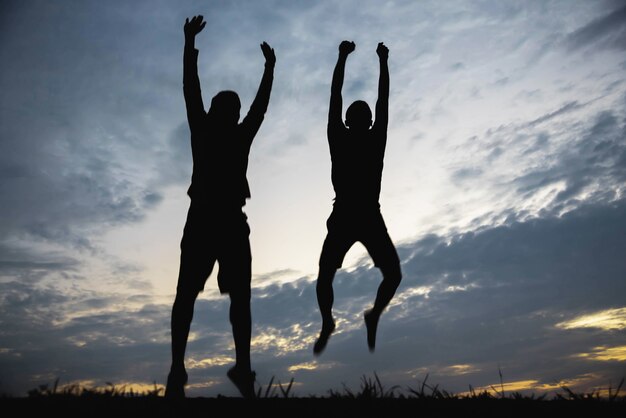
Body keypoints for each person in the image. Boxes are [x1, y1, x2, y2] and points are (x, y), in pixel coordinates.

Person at [165, 15, 275, 399]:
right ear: (217, 110)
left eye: (230, 107)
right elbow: (191, 88)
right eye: (226, 105)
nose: (229, 110)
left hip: (225, 220)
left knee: (228, 297)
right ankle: (182, 369)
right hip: (211, 219)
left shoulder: (222, 131)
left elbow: (253, 108)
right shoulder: (209, 129)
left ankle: (235, 368)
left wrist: (270, 69)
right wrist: (189, 45)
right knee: (191, 295)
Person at [314, 40, 402, 356]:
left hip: (367, 215)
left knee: (393, 274)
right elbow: (337, 97)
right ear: (354, 120)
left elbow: (382, 99)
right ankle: (328, 322)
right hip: (347, 215)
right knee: (324, 278)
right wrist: (349, 58)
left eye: (365, 113)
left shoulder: (372, 138)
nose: (366, 115)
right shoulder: (341, 137)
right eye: (361, 113)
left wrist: (380, 61)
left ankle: (373, 314)